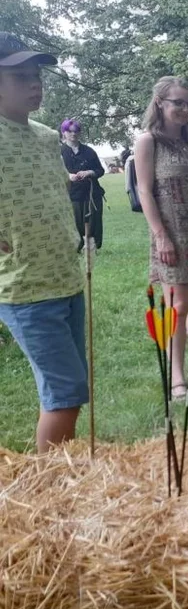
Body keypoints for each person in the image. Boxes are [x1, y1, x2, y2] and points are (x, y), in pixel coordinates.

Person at [0, 32, 88, 452]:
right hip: (26, 289)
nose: (35, 84)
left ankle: (60, 483)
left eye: (36, 76)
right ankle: (53, 495)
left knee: (65, 389)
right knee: (65, 393)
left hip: (66, 278)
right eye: (20, 77)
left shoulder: (47, 136)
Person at [134, 76, 188, 401]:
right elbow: (144, 191)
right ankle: (176, 377)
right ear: (160, 102)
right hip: (171, 234)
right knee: (178, 305)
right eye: (177, 102)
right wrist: (161, 237)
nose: (184, 109)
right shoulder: (147, 141)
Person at [59, 119, 106, 253]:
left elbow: (100, 170)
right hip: (71, 194)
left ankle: (92, 246)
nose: (73, 134)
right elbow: (53, 171)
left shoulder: (89, 151)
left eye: (76, 131)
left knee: (93, 220)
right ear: (64, 133)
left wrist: (89, 172)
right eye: (69, 131)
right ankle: (77, 247)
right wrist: (68, 176)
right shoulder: (59, 152)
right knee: (75, 220)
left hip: (91, 193)